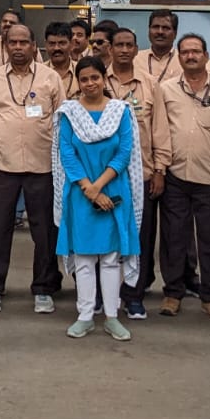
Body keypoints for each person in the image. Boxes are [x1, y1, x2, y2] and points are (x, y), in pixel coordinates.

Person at [0, 23, 65, 314]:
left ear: (33, 45)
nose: (17, 47)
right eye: (12, 42)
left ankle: (43, 288)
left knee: (45, 232)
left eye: (23, 42)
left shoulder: (50, 78)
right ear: (5, 47)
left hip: (43, 167)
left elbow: (63, 124)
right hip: (2, 165)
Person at [157, 33, 210, 320]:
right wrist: (160, 168)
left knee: (209, 240)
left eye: (196, 51)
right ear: (179, 57)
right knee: (173, 238)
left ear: (206, 56)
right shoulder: (166, 90)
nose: (191, 56)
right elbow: (160, 132)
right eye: (185, 52)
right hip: (176, 175)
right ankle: (172, 294)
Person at [56, 56, 138, 342]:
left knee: (111, 257)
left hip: (114, 189)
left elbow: (124, 152)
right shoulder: (69, 113)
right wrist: (88, 188)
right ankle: (85, 315)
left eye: (95, 77)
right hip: (80, 192)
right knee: (84, 258)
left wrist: (100, 187)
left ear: (105, 79)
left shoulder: (120, 111)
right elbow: (67, 152)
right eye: (84, 79)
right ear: (78, 83)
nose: (90, 83)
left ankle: (112, 317)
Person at [99, 25, 170, 320]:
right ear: (111, 49)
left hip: (139, 175)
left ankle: (134, 295)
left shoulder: (150, 84)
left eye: (130, 45)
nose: (125, 50)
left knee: (138, 238)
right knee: (106, 238)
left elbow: (160, 129)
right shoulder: (96, 80)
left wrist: (159, 170)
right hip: (102, 176)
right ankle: (106, 296)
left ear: (136, 47)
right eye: (119, 45)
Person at [135, 9, 180, 85]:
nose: (160, 32)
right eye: (155, 27)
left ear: (175, 33)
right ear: (149, 30)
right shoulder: (135, 59)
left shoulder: (183, 60)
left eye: (165, 28)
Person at [43, 21, 77, 99]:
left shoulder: (81, 70)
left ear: (71, 44)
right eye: (52, 43)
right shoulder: (39, 72)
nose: (56, 48)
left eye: (62, 43)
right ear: (46, 45)